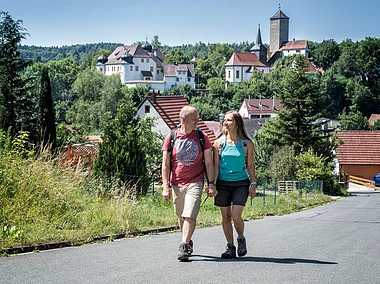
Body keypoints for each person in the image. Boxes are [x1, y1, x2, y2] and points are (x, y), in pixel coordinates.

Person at [161, 106, 216, 261]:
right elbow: (165, 165)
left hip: (196, 181)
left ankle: (184, 245)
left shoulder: (201, 137)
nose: (197, 122)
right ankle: (188, 239)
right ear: (183, 119)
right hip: (177, 183)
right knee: (181, 216)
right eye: (194, 119)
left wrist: (211, 183)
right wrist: (165, 187)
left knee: (190, 213)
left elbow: (209, 162)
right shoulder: (171, 138)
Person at [212, 110, 256, 259]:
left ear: (237, 123)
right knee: (225, 216)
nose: (225, 123)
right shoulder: (218, 143)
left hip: (240, 183)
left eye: (229, 120)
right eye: (224, 120)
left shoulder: (246, 144)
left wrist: (253, 183)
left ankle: (241, 238)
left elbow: (250, 165)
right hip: (223, 183)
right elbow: (215, 165)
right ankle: (230, 246)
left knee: (236, 216)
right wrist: (212, 183)